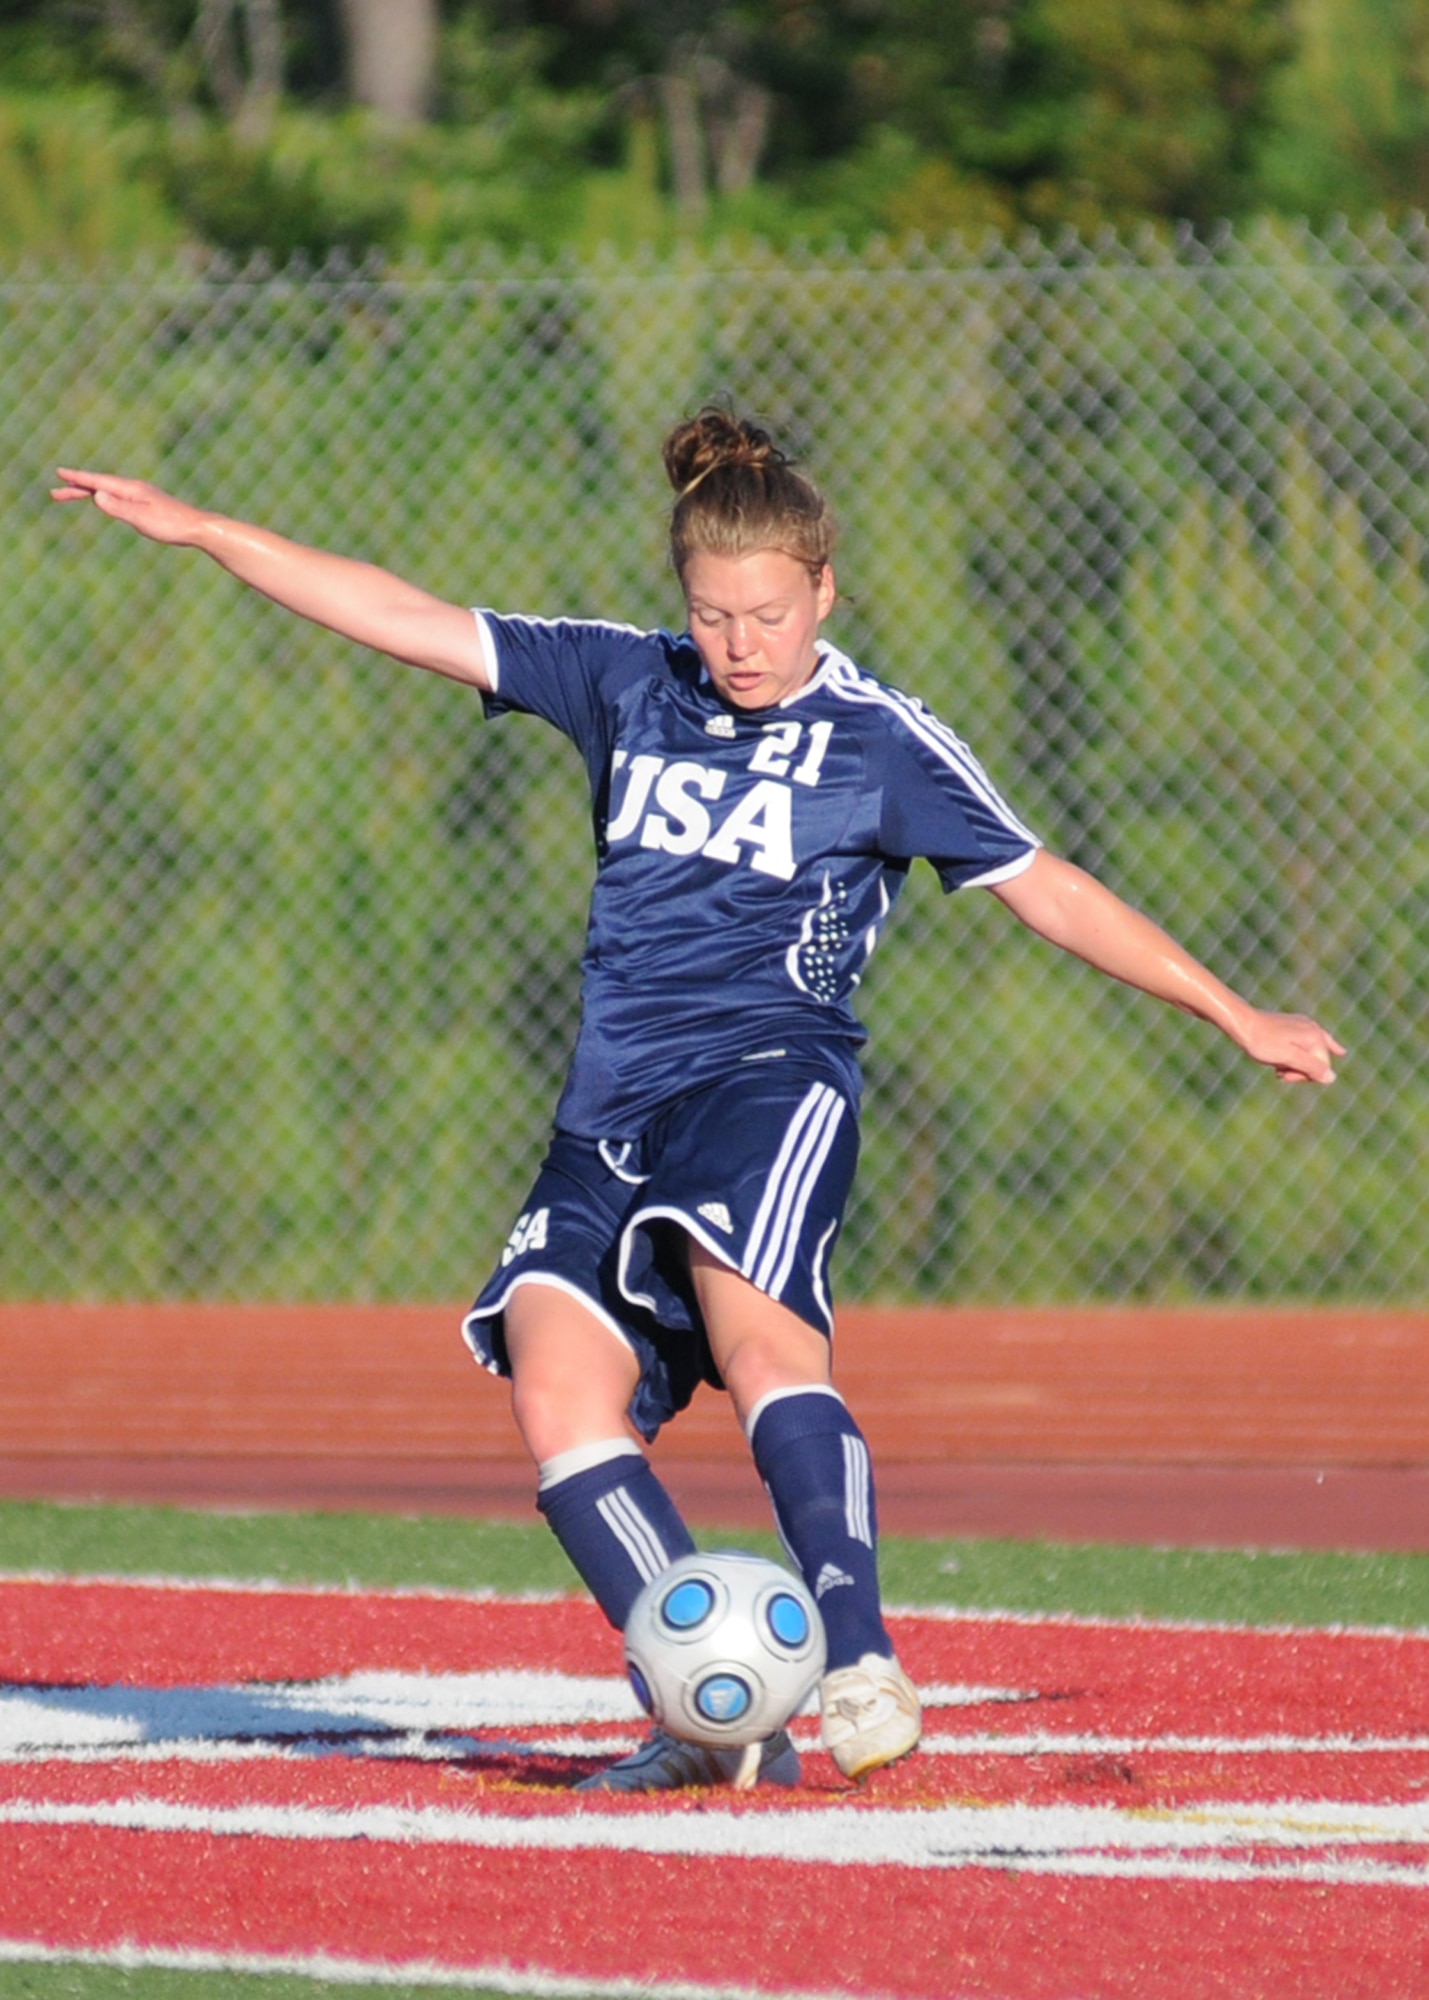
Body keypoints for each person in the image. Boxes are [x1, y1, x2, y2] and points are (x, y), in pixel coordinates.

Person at [53, 409, 1343, 1793]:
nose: (739, 643)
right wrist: (203, 531)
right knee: (558, 1401)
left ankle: (855, 1658)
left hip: (767, 1083)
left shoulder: (878, 742)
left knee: (762, 1342)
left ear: (825, 593)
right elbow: (403, 615)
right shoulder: (626, 683)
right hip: (609, 1114)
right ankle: (712, 1713)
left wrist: (1231, 1010)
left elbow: (1046, 885)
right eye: (713, 612)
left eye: (769, 614)